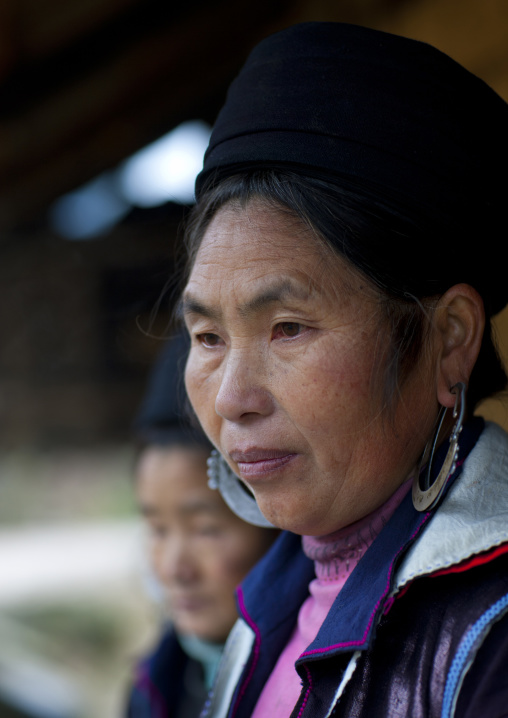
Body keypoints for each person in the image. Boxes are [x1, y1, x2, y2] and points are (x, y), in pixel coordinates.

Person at [179, 22, 508, 718]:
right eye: (207, 335)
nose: (233, 398)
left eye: (288, 329)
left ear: (450, 338)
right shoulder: (266, 608)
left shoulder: (493, 639)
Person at [126, 331, 277, 718]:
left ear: (275, 524)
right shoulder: (155, 687)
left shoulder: (309, 691)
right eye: (158, 529)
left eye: (205, 528)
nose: (175, 570)